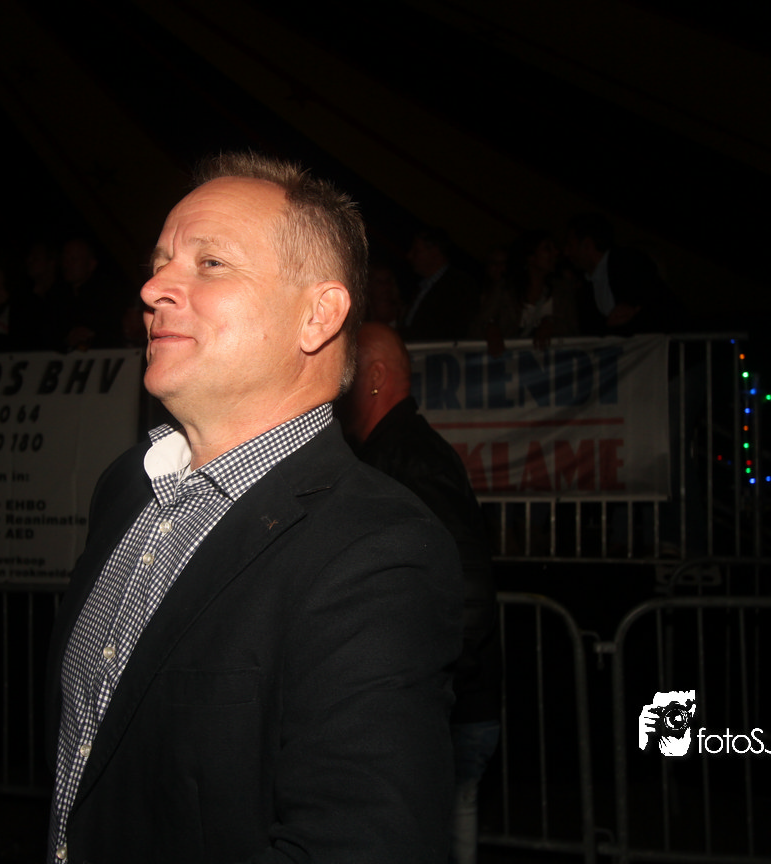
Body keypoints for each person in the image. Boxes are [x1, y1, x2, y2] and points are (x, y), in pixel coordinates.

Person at [45, 152, 464, 864]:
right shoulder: (127, 488)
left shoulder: (377, 551)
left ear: (316, 316)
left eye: (210, 264)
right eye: (159, 264)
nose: (151, 288)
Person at [339, 322, 503, 864]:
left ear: (375, 377)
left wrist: (428, 683)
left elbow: (470, 590)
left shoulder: (412, 458)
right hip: (440, 707)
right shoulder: (398, 452)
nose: (337, 383)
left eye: (349, 370)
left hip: (445, 711)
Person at [401, 226, 482, 342]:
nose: (410, 255)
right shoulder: (422, 286)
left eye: (417, 251)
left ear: (434, 252)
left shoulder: (458, 285)